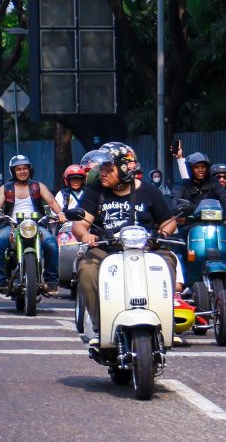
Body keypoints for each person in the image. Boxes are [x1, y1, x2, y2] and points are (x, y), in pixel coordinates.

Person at [70, 142, 178, 347]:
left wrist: (163, 233)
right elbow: (80, 224)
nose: (102, 174)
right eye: (101, 169)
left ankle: (164, 321)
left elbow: (168, 221)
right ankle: (101, 326)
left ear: (125, 168)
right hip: (106, 249)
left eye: (108, 169)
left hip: (146, 249)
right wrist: (85, 235)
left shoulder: (149, 191)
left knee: (167, 262)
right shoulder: (95, 191)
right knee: (87, 269)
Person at [0, 154, 65, 296]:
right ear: (13, 171)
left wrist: (60, 213)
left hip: (36, 224)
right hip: (12, 225)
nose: (22, 171)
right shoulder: (5, 188)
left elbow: (52, 202)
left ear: (29, 170)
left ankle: (51, 282)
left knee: (52, 245)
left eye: (25, 168)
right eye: (18, 169)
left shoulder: (38, 186)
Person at [173, 152, 226, 220]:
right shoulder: (182, 185)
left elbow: (225, 198)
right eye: (196, 167)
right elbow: (174, 200)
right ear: (190, 169)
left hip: (213, 221)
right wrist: (175, 214)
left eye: (203, 166)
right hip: (189, 222)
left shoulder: (214, 182)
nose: (200, 170)